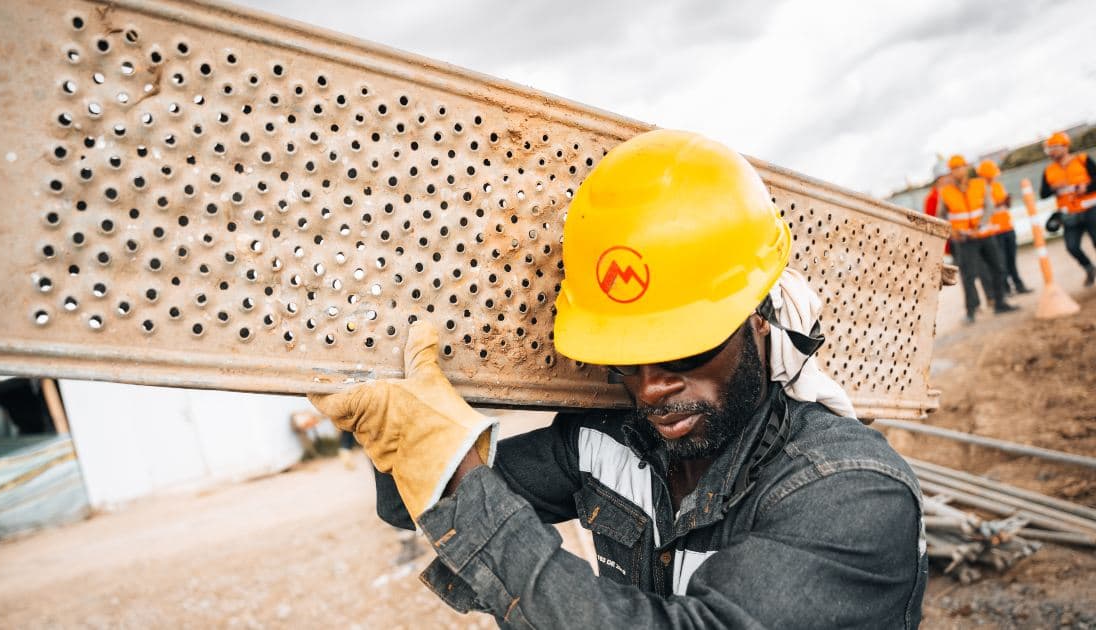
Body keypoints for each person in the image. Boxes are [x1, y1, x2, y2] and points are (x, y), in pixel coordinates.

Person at [310, 131, 927, 628]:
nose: (651, 389)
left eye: (684, 351)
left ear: (759, 317)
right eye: (626, 361)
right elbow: (417, 505)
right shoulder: (607, 444)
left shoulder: (852, 492)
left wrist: (453, 464)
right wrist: (410, 426)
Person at [939, 154, 1018, 323]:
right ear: (950, 172)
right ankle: (971, 311)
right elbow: (941, 216)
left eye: (960, 167)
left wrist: (979, 226)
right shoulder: (945, 192)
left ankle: (999, 302)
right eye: (954, 168)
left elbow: (989, 207)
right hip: (963, 240)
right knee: (968, 276)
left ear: (966, 167)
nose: (958, 171)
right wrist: (952, 232)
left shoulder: (980, 185)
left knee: (998, 267)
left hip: (984, 234)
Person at [1039, 131, 1096, 287]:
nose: (1052, 151)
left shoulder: (1082, 160)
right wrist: (1053, 188)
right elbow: (1043, 194)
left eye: (1055, 147)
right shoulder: (1049, 170)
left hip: (1091, 209)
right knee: (1072, 246)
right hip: (1069, 214)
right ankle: (1089, 268)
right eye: (1050, 148)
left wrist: (1087, 188)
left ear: (1065, 147)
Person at [974, 159, 1030, 294]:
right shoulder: (979, 190)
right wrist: (999, 203)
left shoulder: (998, 185)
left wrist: (1007, 201)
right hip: (994, 231)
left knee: (1011, 260)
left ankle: (1018, 285)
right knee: (1000, 262)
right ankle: (1006, 289)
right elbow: (984, 209)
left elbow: (1006, 205)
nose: (994, 176)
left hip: (1007, 227)